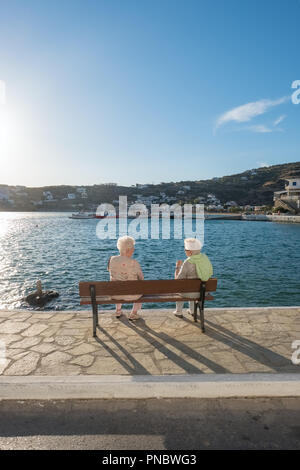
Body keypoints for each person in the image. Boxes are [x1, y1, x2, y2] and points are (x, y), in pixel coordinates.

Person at [173, 238, 213, 318]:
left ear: (190, 252)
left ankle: (178, 311)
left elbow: (178, 280)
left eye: (185, 249)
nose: (184, 251)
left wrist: (177, 267)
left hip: (190, 292)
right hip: (203, 292)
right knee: (192, 287)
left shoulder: (188, 262)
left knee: (180, 288)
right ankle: (192, 310)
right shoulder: (205, 259)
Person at [107, 236, 143, 320]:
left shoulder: (111, 260)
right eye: (132, 248)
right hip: (132, 295)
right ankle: (133, 313)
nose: (133, 250)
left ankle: (118, 311)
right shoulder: (134, 262)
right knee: (141, 288)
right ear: (128, 250)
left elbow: (110, 272)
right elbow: (141, 279)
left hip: (115, 294)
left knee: (117, 284)